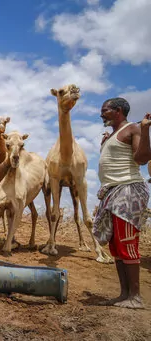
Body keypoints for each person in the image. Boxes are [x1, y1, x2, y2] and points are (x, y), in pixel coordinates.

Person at [93, 97, 151, 309]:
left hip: (128, 190)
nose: (101, 114)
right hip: (112, 192)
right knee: (116, 245)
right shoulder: (113, 135)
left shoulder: (133, 128)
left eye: (104, 110)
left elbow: (142, 159)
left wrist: (145, 131)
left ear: (118, 110)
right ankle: (125, 294)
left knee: (127, 241)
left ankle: (135, 297)